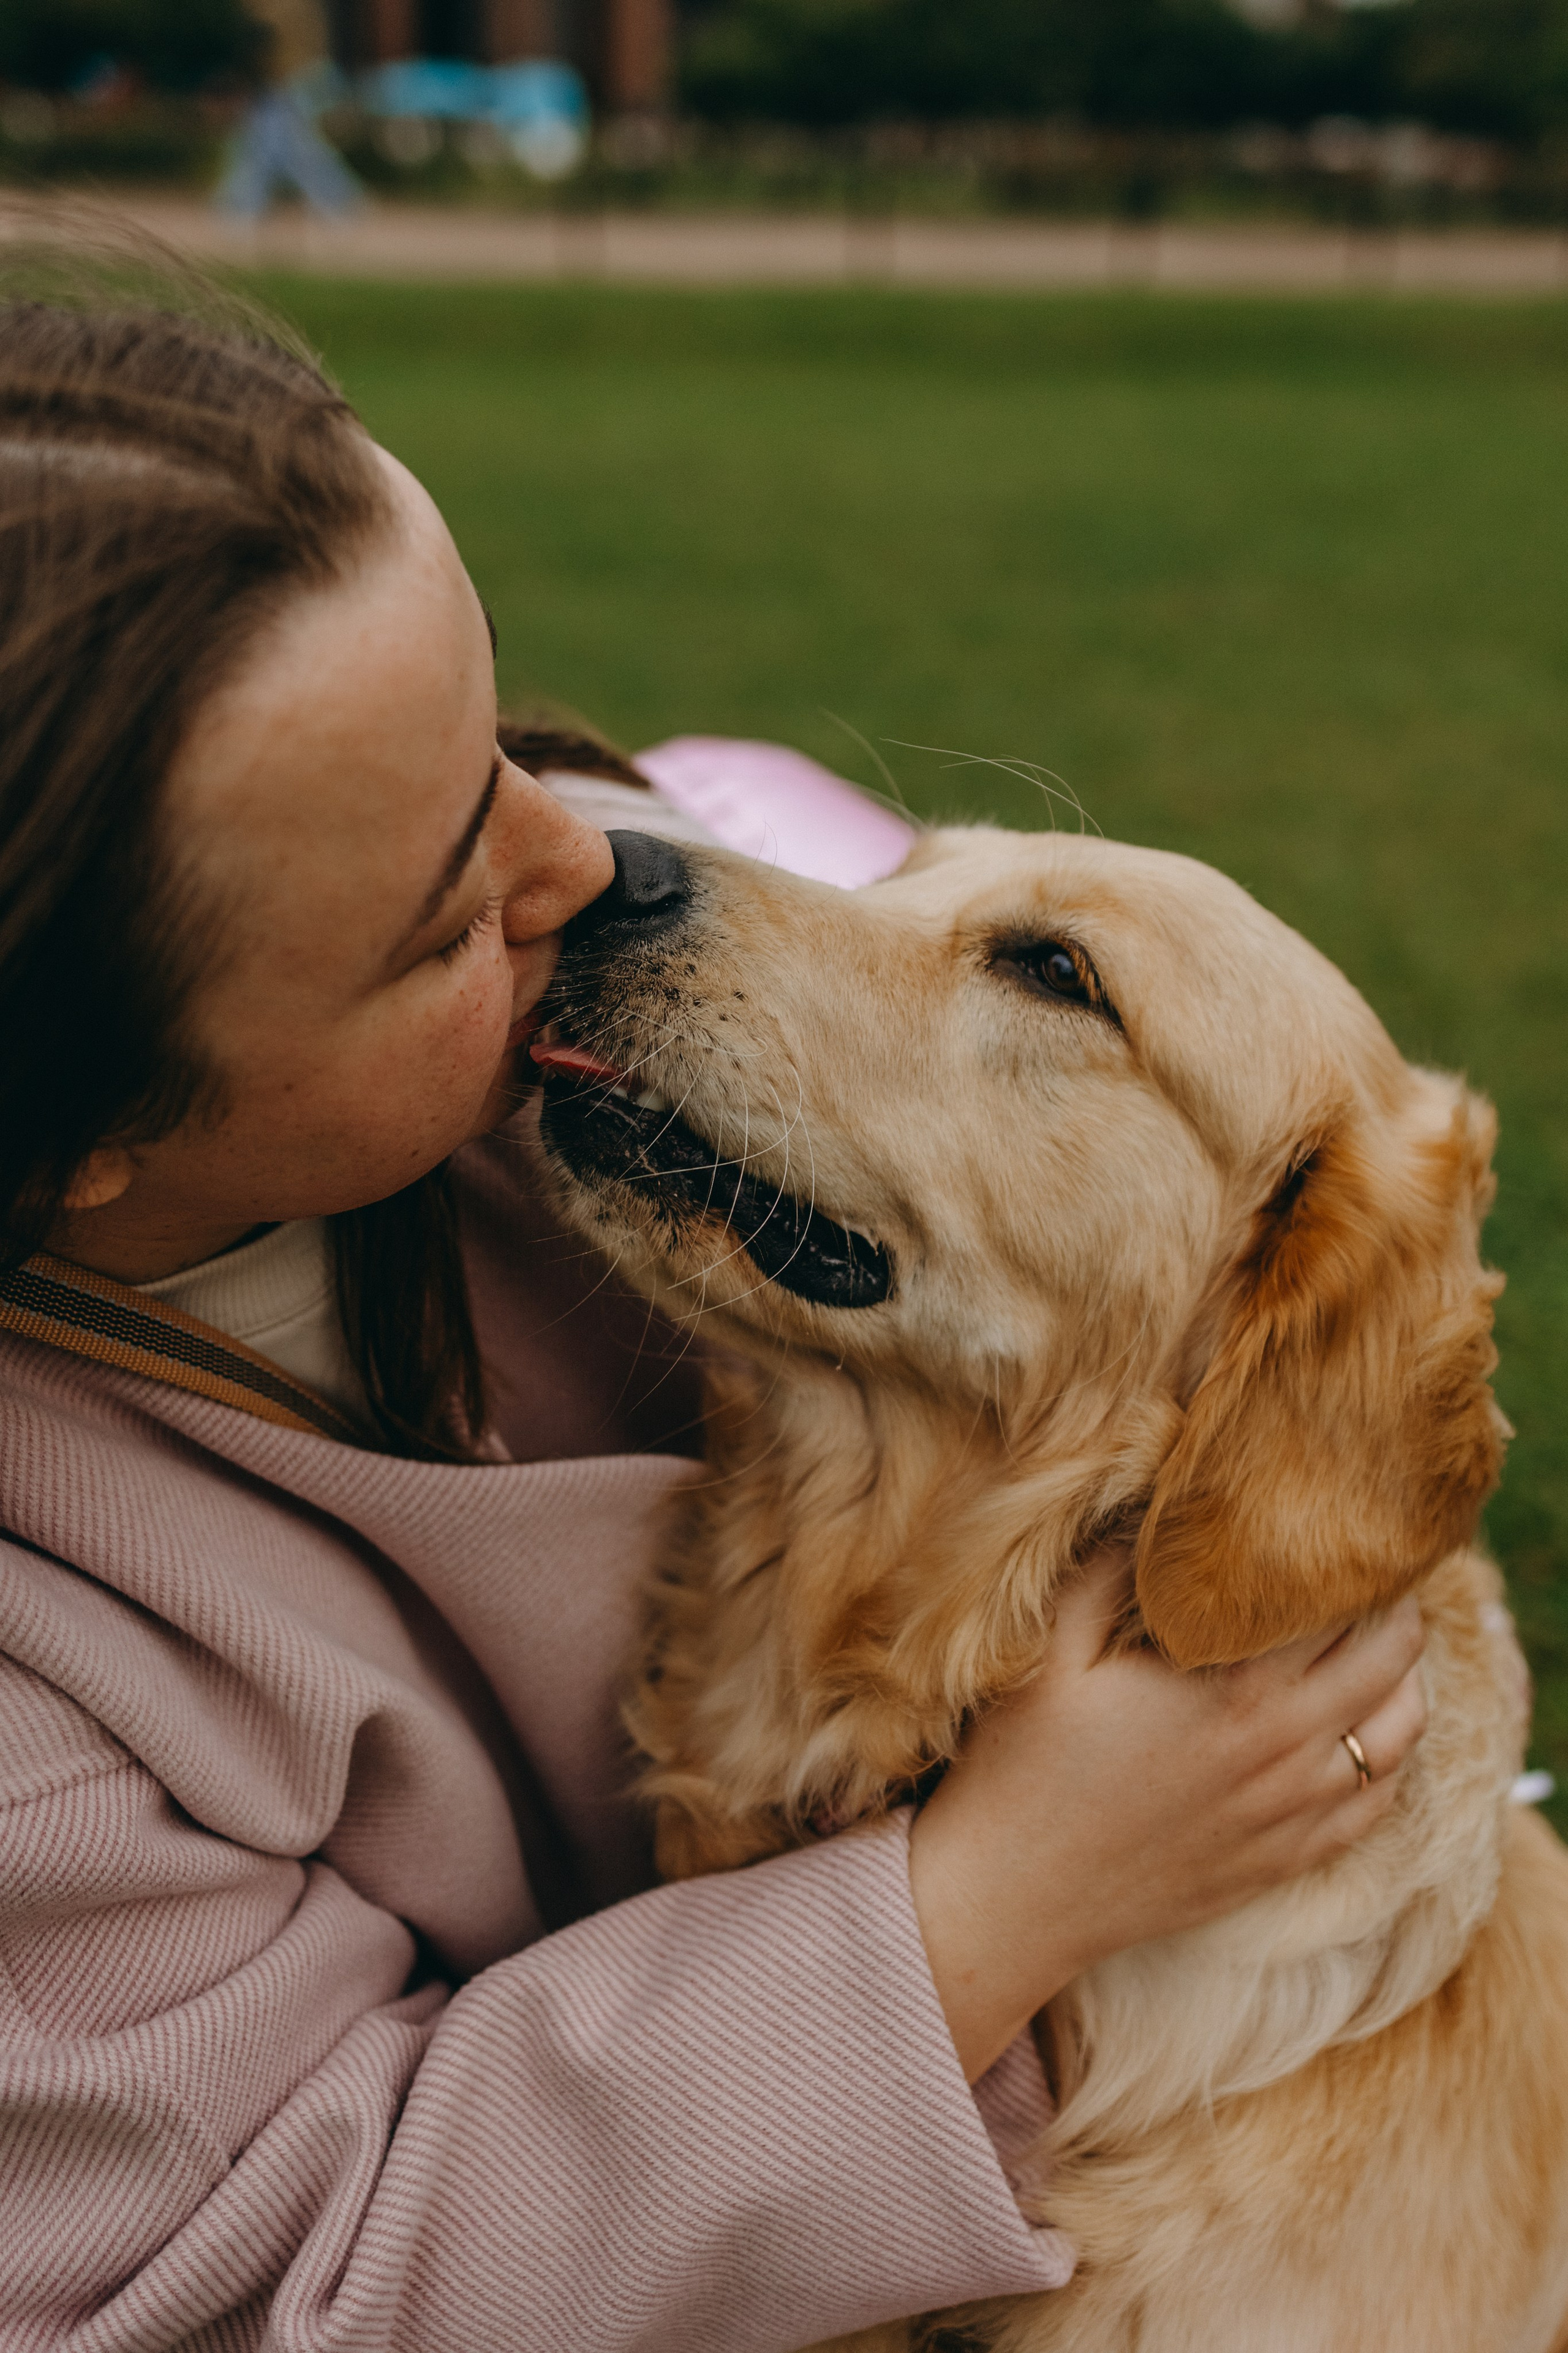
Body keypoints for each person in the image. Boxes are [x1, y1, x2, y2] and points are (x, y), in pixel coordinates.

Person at [0, 280, 1429, 2351]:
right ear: (81, 1145)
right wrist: (995, 1909)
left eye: (493, 733)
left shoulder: (602, 949)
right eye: (439, 919)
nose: (587, 855)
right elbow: (263, 2288)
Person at [215, 0, 361, 224]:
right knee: (281, 152)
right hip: (287, 86)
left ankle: (241, 208)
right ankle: (337, 204)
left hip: (291, 85)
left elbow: (285, 51)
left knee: (288, 152)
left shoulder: (280, 10)